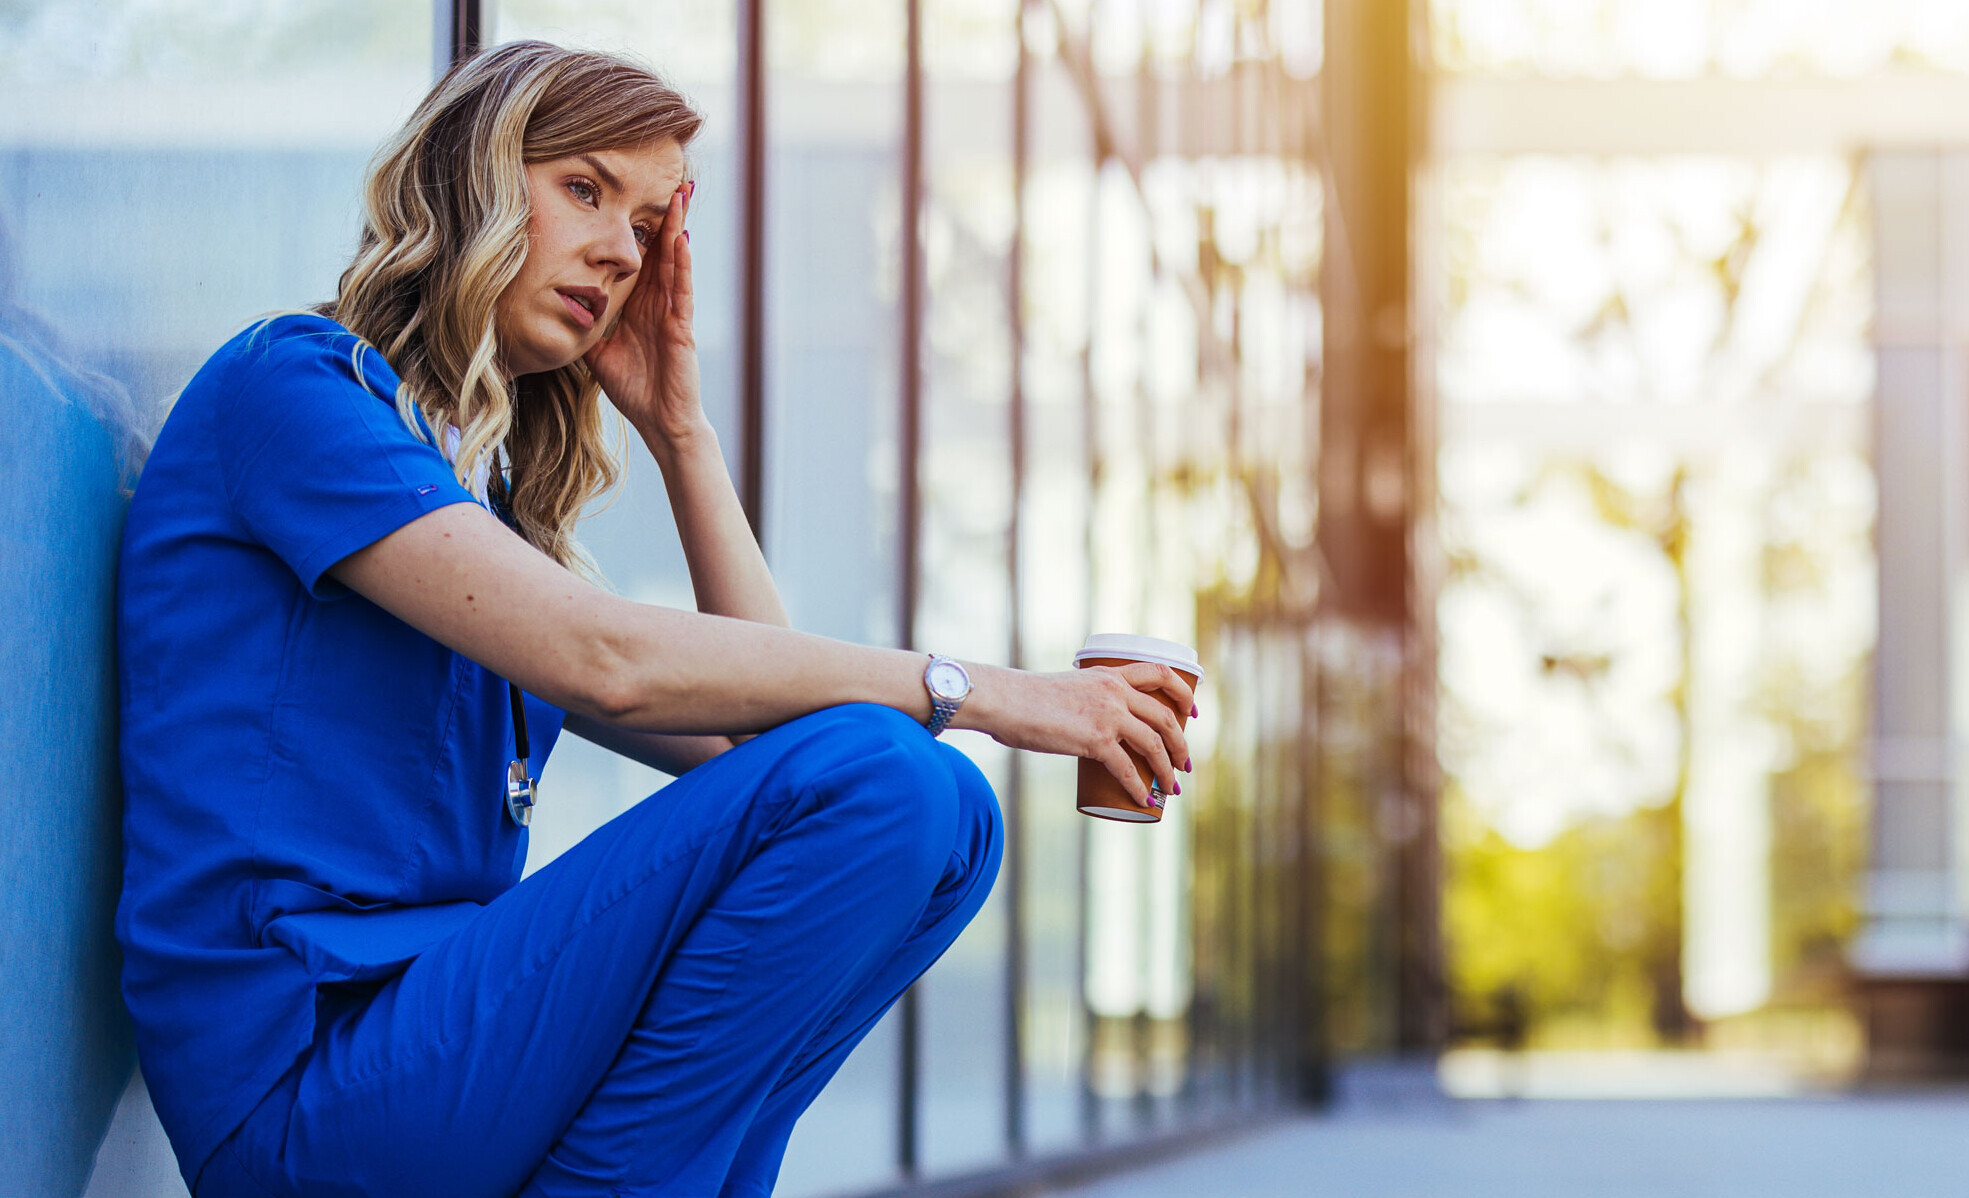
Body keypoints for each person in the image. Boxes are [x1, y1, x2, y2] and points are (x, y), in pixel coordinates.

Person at [113, 41, 1195, 1198]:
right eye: (583, 189)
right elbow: (609, 662)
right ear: (470, 177)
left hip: (439, 1055)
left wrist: (682, 431)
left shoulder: (479, 517)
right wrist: (989, 690)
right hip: (305, 1085)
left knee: (947, 819)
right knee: (892, 773)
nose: (616, 250)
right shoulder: (294, 388)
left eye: (642, 226)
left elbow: (772, 747)